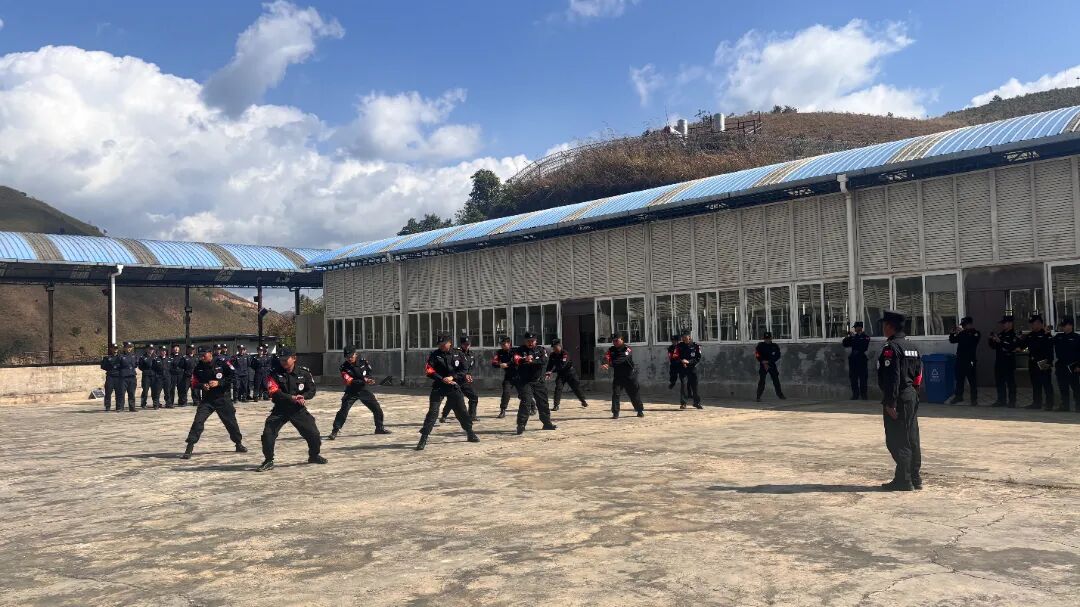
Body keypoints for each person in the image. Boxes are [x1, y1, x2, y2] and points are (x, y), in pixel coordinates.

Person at [257, 348, 326, 471]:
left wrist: (304, 397)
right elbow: (274, 392)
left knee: (314, 434)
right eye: (281, 360)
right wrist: (292, 398)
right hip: (280, 409)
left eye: (285, 359)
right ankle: (268, 460)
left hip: (298, 409)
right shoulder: (274, 373)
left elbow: (311, 390)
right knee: (268, 433)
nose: (283, 362)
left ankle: (314, 455)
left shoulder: (304, 373)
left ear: (294, 358)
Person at [877, 310, 923, 491]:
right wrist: (914, 393)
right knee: (911, 437)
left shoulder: (891, 348)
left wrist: (891, 403)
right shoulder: (913, 346)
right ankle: (914, 477)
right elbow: (919, 374)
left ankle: (904, 480)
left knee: (897, 439)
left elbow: (893, 377)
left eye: (884, 325)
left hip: (899, 397)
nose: (883, 328)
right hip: (911, 395)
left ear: (890, 326)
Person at [181, 346, 247, 460]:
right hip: (207, 399)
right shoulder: (198, 367)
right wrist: (202, 385)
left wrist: (219, 383)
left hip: (222, 398)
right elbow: (194, 383)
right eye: (200, 356)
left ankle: (238, 443)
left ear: (210, 353)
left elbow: (233, 377)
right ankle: (189, 447)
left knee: (231, 422)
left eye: (204, 355)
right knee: (198, 421)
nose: (202, 357)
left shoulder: (222, 363)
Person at [418, 334, 479, 450]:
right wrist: (441, 378)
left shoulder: (458, 353)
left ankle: (470, 432)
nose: (441, 346)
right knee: (433, 412)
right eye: (439, 344)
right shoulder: (434, 355)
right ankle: (423, 438)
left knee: (462, 411)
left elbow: (464, 369)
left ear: (449, 343)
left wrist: (452, 377)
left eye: (443, 344)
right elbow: (429, 370)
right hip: (439, 386)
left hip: (453, 386)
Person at [329, 346, 391, 439]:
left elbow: (369, 372)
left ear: (356, 354)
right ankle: (335, 431)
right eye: (347, 357)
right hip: (351, 391)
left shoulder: (363, 361)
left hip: (364, 390)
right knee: (343, 410)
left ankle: (379, 428)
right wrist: (364, 380)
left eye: (351, 356)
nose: (349, 358)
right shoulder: (343, 367)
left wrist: (369, 379)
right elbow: (349, 381)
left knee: (377, 408)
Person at [512, 332, 557, 435]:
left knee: (543, 402)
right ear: (525, 341)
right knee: (526, 402)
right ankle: (521, 425)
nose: (530, 343)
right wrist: (524, 359)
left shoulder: (541, 350)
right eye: (528, 341)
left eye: (532, 341)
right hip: (525, 381)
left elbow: (544, 360)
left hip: (538, 381)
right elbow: (516, 360)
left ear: (536, 341)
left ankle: (547, 423)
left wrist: (532, 361)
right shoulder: (520, 350)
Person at [601, 332, 645, 419]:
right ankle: (615, 413)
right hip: (618, 376)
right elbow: (606, 357)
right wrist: (604, 363)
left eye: (616, 340)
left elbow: (621, 359)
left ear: (621, 339)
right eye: (613, 341)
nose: (615, 342)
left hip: (629, 375)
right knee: (616, 394)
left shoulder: (627, 349)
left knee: (633, 394)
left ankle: (639, 410)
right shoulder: (611, 349)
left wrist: (609, 364)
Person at [1018, 314, 1054, 410]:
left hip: (1044, 362)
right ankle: (1036, 403)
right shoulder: (1030, 335)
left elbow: (1049, 350)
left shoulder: (1046, 334)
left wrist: (1049, 362)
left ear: (1039, 324)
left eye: (1033, 323)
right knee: (1035, 383)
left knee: (1046, 383)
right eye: (1031, 324)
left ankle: (1049, 404)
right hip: (1033, 362)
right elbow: (1022, 346)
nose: (1032, 326)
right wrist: (1020, 338)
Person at [545, 338, 588, 411]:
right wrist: (548, 372)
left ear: (560, 346)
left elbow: (563, 365)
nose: (554, 349)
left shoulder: (565, 353)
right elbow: (550, 364)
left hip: (570, 373)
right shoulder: (552, 355)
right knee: (558, 388)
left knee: (576, 388)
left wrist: (552, 371)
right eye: (553, 348)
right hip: (561, 374)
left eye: (555, 347)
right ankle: (556, 405)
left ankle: (583, 401)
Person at [948, 317, 981, 406]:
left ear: (969, 324)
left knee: (972, 381)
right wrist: (952, 333)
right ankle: (959, 396)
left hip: (970, 360)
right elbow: (952, 340)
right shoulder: (962, 334)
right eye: (962, 325)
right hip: (960, 360)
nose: (963, 327)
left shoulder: (976, 333)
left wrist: (962, 332)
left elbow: (970, 341)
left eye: (964, 325)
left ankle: (974, 399)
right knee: (959, 380)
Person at [988, 316, 1019, 408]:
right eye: (1003, 323)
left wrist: (1000, 341)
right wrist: (991, 339)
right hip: (999, 362)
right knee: (999, 382)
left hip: (1009, 362)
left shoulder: (1014, 335)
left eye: (1004, 323)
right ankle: (1001, 400)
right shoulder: (1001, 334)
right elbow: (994, 346)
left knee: (1010, 382)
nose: (1003, 325)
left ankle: (1012, 401)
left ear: (1010, 323)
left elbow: (1011, 346)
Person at [1052, 317, 1080, 413]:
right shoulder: (1059, 337)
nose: (1063, 327)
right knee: (1063, 387)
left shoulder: (1077, 338)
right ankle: (1065, 405)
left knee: (1076, 387)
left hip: (1073, 365)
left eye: (1065, 325)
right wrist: (1046, 333)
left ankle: (1078, 406)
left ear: (1070, 326)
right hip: (1061, 365)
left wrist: (1079, 366)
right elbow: (1049, 342)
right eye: (1062, 326)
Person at [674, 331, 703, 409]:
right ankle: (683, 403)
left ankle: (696, 402)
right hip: (682, 368)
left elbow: (697, 358)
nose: (683, 339)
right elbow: (675, 356)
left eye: (685, 337)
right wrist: (682, 361)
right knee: (683, 385)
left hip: (692, 368)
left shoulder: (695, 346)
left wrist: (689, 362)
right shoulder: (679, 346)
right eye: (682, 337)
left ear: (689, 337)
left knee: (694, 385)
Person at [842, 321, 871, 400]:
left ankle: (864, 395)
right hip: (853, 360)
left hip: (861, 360)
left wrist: (854, 338)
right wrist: (848, 337)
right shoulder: (853, 337)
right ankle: (855, 394)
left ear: (860, 328)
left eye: (856, 327)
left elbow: (863, 347)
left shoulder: (865, 337)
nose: (855, 329)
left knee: (863, 378)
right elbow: (845, 344)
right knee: (853, 378)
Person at [490, 336, 516, 419]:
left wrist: (507, 364)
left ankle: (532, 406)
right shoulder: (499, 352)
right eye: (501, 344)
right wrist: (500, 365)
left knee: (523, 393)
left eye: (504, 344)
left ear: (509, 344)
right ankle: (503, 410)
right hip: (508, 376)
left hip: (519, 375)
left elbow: (516, 361)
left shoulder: (515, 351)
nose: (502, 346)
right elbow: (494, 362)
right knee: (506, 392)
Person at [754, 332, 785, 402]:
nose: (767, 340)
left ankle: (780, 395)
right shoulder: (760, 345)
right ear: (764, 339)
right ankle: (758, 396)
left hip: (771, 364)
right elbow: (757, 354)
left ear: (771, 338)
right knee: (762, 380)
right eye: (766, 339)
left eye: (768, 339)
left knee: (776, 380)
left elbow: (777, 355)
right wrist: (762, 361)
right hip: (763, 365)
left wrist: (768, 362)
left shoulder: (774, 346)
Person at [100, 343, 122, 412]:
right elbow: (103, 366)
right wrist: (111, 366)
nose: (115, 350)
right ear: (111, 349)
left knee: (119, 393)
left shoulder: (120, 357)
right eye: (114, 348)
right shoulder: (107, 358)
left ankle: (118, 407)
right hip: (110, 377)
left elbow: (124, 365)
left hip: (118, 377)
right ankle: (107, 406)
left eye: (116, 348)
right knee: (108, 392)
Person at [118, 341, 138, 412]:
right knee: (122, 393)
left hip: (132, 376)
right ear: (124, 348)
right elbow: (118, 365)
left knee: (132, 393)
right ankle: (120, 407)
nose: (129, 349)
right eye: (127, 347)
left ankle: (132, 407)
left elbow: (135, 365)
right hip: (123, 377)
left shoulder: (134, 356)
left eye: (130, 347)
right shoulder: (120, 356)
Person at [666, 334, 682, 399]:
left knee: (682, 378)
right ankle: (672, 383)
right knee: (672, 374)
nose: (673, 342)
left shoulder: (680, 347)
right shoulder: (670, 348)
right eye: (672, 341)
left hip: (681, 363)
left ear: (677, 341)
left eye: (675, 341)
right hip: (674, 363)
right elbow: (670, 356)